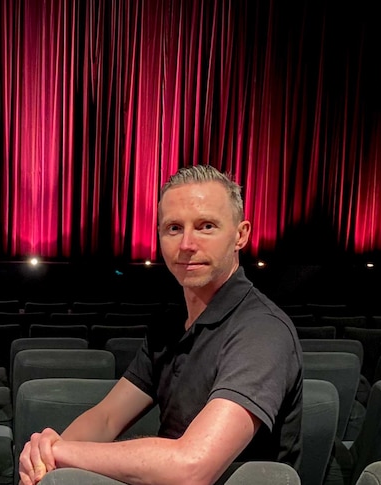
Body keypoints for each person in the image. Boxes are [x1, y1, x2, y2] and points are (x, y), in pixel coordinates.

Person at [18, 165, 303, 485]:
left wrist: (61, 454)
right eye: (173, 228)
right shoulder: (169, 326)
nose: (187, 243)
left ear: (240, 235)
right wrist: (46, 458)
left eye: (206, 226)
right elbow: (108, 417)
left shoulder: (262, 330)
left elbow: (192, 468)